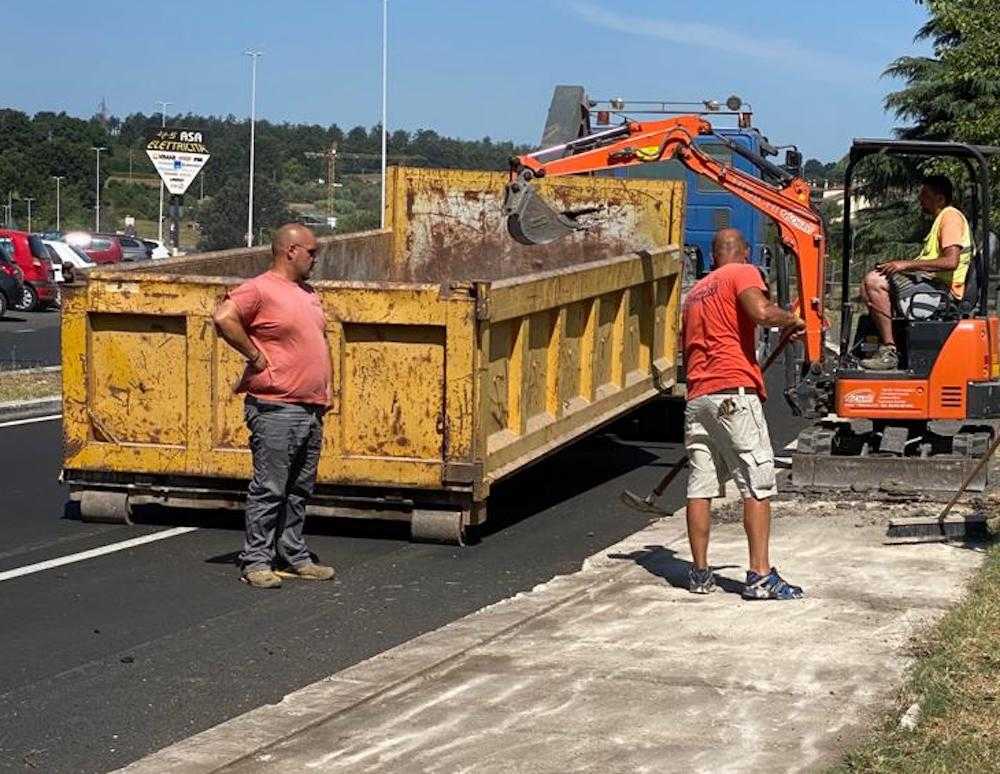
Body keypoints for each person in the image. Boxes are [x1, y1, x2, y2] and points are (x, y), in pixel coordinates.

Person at [681, 228, 806, 600]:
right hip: (732, 394)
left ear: (713, 254)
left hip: (698, 397)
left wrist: (780, 323)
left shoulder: (695, 293)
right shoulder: (744, 272)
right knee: (757, 482)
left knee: (700, 487)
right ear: (745, 252)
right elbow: (762, 312)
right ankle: (760, 577)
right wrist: (793, 319)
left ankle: (700, 574)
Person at [212, 224, 336, 589]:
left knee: (300, 489)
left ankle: (293, 553)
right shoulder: (260, 288)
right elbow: (223, 317)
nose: (316, 259)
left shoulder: (307, 293)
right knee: (270, 487)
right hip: (276, 408)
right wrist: (254, 355)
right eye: (312, 252)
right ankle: (256, 561)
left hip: (309, 408)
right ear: (290, 251)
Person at [859, 175, 972, 370]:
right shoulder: (941, 219)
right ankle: (882, 341)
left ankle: (889, 350)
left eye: (925, 195)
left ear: (940, 199)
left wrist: (904, 265)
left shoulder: (950, 217)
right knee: (867, 285)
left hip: (942, 292)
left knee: (874, 281)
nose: (920, 199)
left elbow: (951, 261)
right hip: (932, 285)